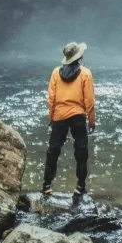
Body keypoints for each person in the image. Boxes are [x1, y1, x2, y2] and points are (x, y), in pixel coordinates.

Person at [42, 42, 96, 196]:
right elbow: (89, 101)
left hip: (59, 115)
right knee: (81, 151)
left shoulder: (55, 73)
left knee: (53, 150)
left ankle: (46, 185)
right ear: (79, 57)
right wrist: (91, 121)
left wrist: (52, 117)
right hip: (78, 116)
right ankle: (80, 187)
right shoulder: (86, 73)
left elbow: (51, 98)